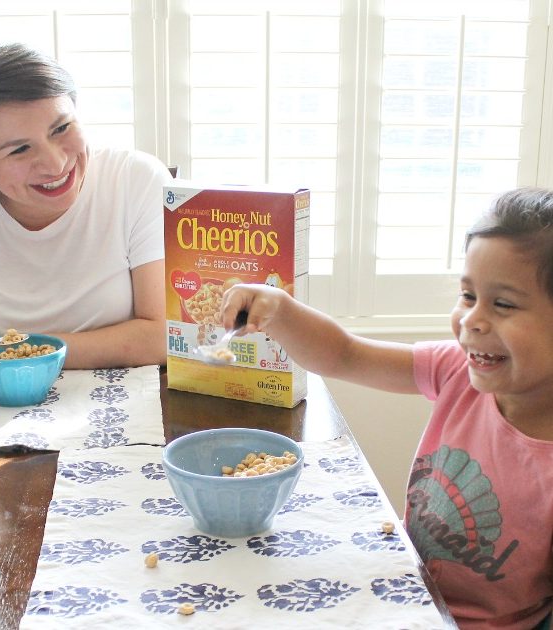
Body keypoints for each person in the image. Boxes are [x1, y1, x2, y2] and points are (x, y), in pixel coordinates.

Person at [220, 187, 553, 629]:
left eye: (504, 304)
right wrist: (279, 309)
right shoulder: (456, 369)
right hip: (402, 596)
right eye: (468, 296)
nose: (473, 320)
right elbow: (344, 354)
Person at [0, 41, 173, 380]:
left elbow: (162, 335)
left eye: (61, 129)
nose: (55, 164)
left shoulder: (135, 180)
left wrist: (8, 352)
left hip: (122, 401)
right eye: (20, 150)